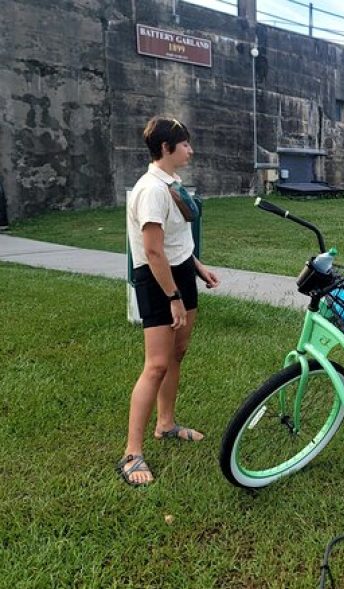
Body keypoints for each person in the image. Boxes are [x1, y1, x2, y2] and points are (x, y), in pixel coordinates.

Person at [117, 117, 220, 486]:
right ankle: (132, 452)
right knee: (156, 365)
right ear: (166, 148)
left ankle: (166, 425)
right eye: (185, 144)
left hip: (179, 273)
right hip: (158, 280)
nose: (190, 150)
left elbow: (176, 242)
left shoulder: (171, 183)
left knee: (177, 353)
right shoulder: (152, 190)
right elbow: (153, 251)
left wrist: (197, 266)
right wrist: (173, 297)